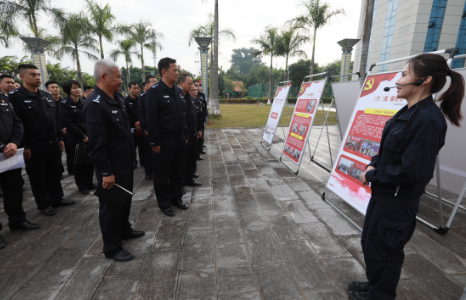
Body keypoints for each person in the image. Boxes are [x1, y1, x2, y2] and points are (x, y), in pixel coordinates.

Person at [349, 54, 464, 300]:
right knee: (372, 245)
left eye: (403, 74)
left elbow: (413, 171)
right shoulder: (407, 113)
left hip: (397, 203)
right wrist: (372, 164)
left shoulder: (427, 121)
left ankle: (380, 295)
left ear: (425, 81)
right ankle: (375, 285)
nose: (397, 80)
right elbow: (388, 151)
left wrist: (373, 174)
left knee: (386, 251)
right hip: (384, 195)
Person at [84, 59, 145, 262]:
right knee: (110, 206)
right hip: (111, 166)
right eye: (118, 77)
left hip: (125, 162)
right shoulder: (95, 104)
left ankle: (124, 229)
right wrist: (105, 172)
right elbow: (97, 143)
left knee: (124, 199)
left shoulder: (116, 98)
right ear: (103, 77)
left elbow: (120, 131)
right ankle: (111, 247)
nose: (121, 81)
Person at [9, 64, 75, 216]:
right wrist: (24, 146)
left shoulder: (45, 95)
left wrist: (59, 137)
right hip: (34, 144)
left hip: (52, 141)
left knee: (54, 171)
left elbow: (55, 119)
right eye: (33, 74)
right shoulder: (16, 97)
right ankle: (44, 204)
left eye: (38, 74)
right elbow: (16, 122)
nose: (38, 77)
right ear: (22, 77)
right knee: (38, 176)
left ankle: (57, 198)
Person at [0, 74, 41, 249]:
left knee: (14, 188)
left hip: (10, 154)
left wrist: (14, 143)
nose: (10, 84)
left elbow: (17, 122)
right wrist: (2, 146)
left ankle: (17, 220)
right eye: (7, 82)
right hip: (3, 150)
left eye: (11, 82)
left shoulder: (5, 99)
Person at [146, 58, 189, 217]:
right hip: (163, 142)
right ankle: (164, 203)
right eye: (174, 70)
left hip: (179, 140)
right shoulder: (154, 92)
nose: (177, 73)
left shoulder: (178, 91)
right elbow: (152, 119)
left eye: (177, 70)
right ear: (164, 72)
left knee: (177, 172)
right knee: (162, 174)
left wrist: (184, 135)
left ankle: (176, 198)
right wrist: (155, 142)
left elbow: (182, 116)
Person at [60, 80, 97, 194]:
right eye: (74, 88)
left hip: (88, 135)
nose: (78, 90)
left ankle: (90, 182)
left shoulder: (83, 101)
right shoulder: (64, 103)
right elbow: (69, 123)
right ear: (68, 90)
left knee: (89, 160)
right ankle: (82, 185)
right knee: (79, 162)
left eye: (78, 88)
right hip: (75, 137)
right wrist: (82, 135)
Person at [179, 75, 202, 190]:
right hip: (185, 136)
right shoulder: (179, 98)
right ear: (182, 84)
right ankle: (181, 184)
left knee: (192, 159)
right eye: (189, 83)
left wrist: (198, 129)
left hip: (193, 134)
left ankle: (189, 179)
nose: (192, 86)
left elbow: (195, 117)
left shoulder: (190, 98)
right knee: (183, 160)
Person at [45, 80, 68, 177]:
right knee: (57, 152)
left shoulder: (64, 101)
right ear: (47, 90)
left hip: (67, 129)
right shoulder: (46, 102)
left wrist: (66, 127)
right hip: (55, 131)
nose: (55, 89)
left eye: (56, 87)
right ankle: (59, 171)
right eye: (52, 87)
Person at [124, 82, 144, 169]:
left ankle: (143, 161)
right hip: (131, 128)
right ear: (129, 89)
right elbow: (127, 115)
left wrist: (140, 122)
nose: (136, 90)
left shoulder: (141, 99)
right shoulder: (125, 101)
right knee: (132, 146)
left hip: (141, 127)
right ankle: (133, 162)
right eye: (134, 88)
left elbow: (143, 112)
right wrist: (134, 123)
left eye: (137, 88)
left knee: (143, 146)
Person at [138, 81, 153, 180]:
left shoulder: (157, 95)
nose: (155, 83)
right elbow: (142, 114)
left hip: (158, 129)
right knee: (148, 152)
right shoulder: (142, 97)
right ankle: (149, 172)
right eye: (153, 82)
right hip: (148, 129)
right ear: (147, 85)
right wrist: (146, 128)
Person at [194, 81, 207, 153]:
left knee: (201, 133)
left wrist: (205, 115)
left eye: (198, 86)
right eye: (195, 86)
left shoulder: (201, 96)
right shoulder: (191, 98)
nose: (197, 88)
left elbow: (204, 107)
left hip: (200, 119)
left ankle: (200, 148)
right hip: (194, 123)